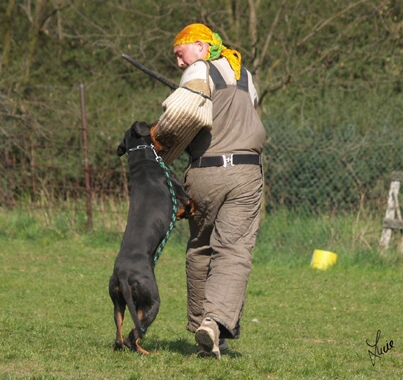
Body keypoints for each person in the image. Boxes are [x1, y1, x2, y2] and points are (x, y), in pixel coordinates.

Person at [150, 23, 266, 358]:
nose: (179, 62)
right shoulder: (245, 75)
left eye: (180, 52)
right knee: (234, 250)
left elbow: (180, 116)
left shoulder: (199, 69)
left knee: (201, 249)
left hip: (205, 173)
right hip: (246, 172)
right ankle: (214, 325)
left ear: (200, 46)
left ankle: (207, 328)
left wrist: (157, 144)